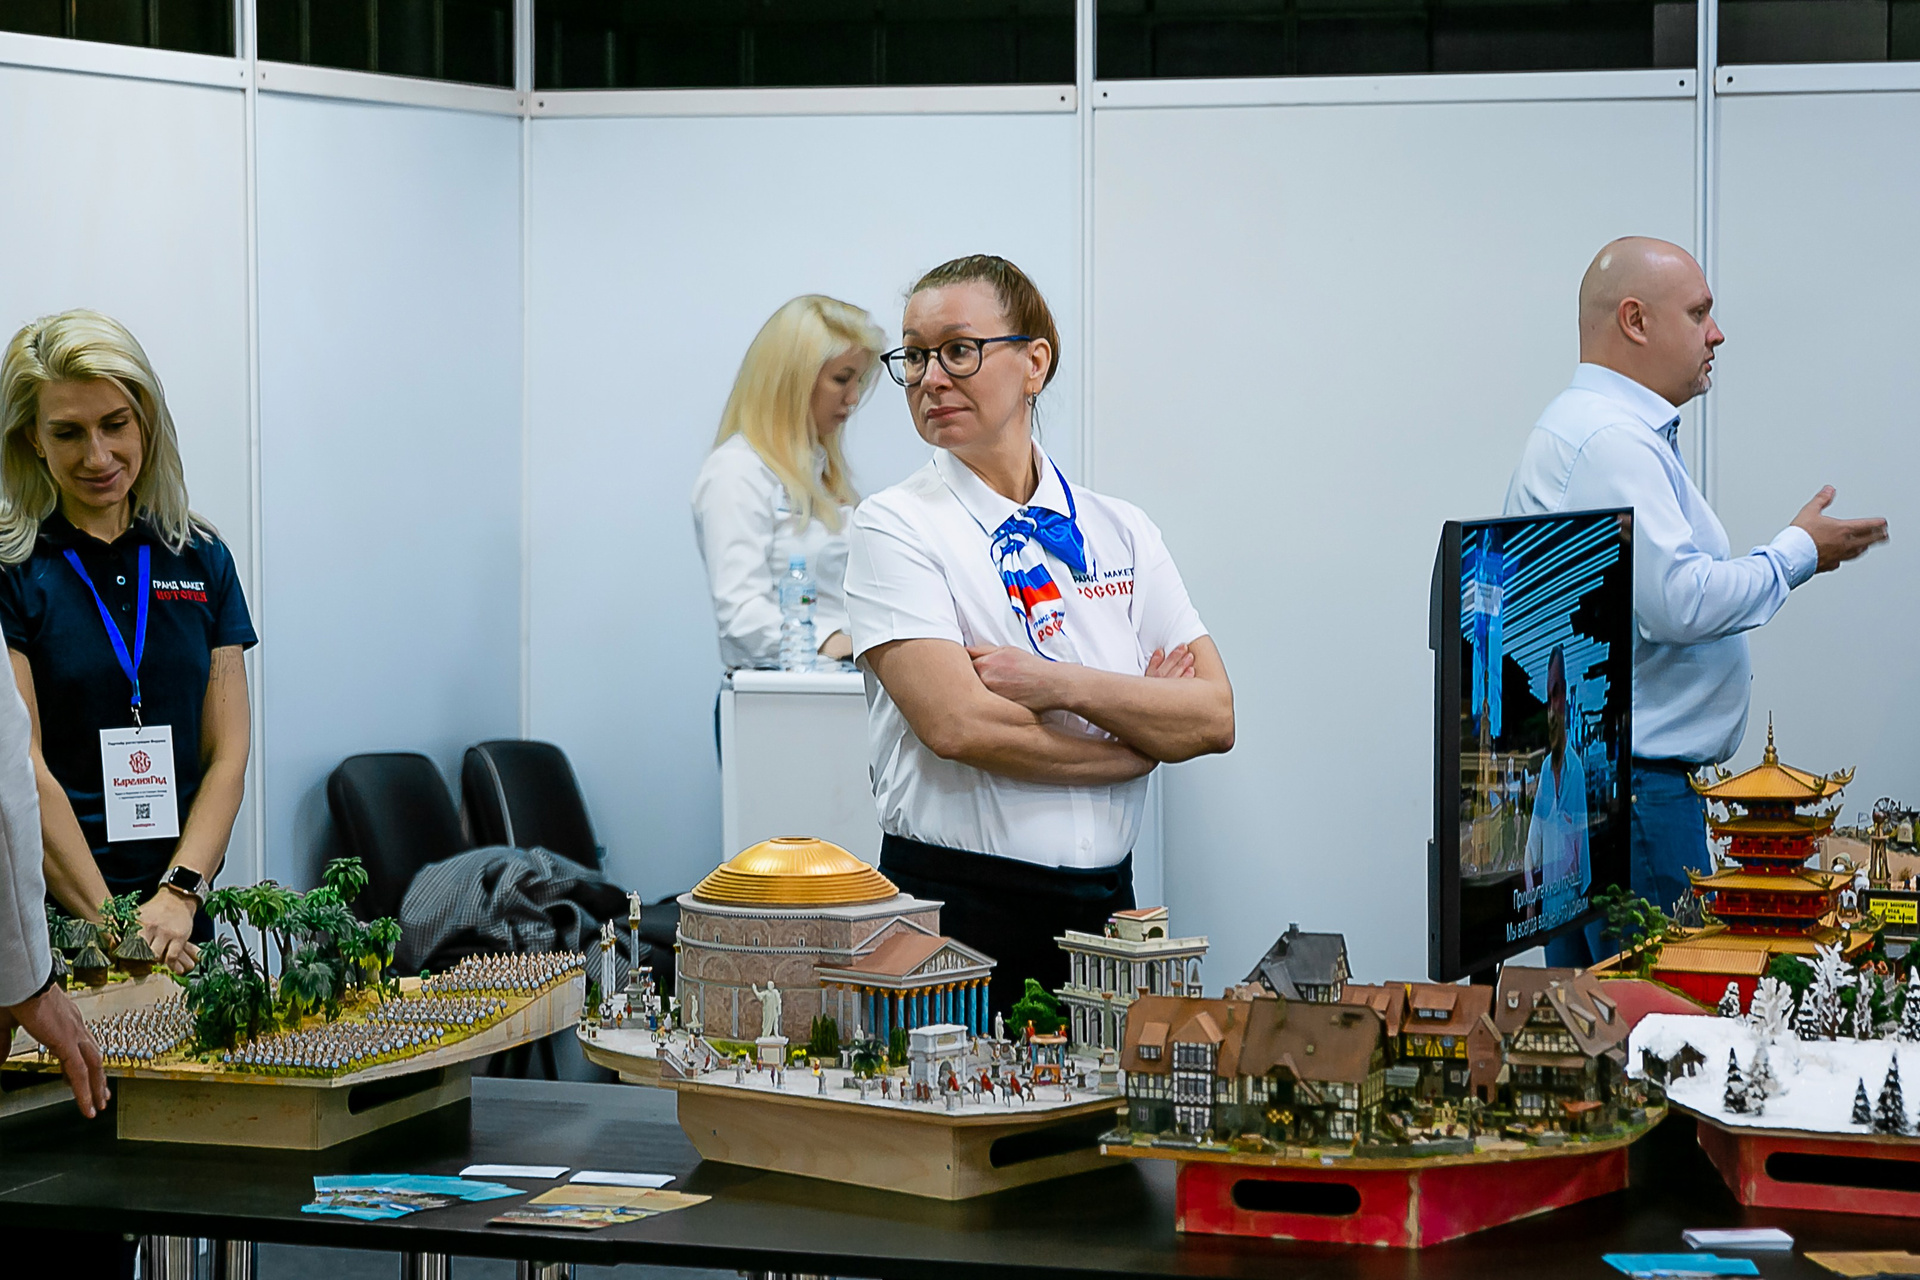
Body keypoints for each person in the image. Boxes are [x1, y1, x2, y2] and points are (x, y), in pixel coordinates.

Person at [844, 255, 1234, 1016]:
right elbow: (960, 726)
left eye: (959, 350)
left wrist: (1058, 685)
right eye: (915, 357)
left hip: (1109, 910)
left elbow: (1213, 717)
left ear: (1035, 363)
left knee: (1104, 1095)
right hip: (959, 912)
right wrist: (1136, 742)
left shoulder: (1122, 529)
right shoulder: (895, 525)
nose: (931, 378)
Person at [1504, 237, 1886, 957]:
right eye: (1699, 313)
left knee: (1601, 1011)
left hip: (1602, 792)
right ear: (1635, 321)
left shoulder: (1585, 429)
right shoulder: (1611, 442)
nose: (1717, 334)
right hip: (1638, 800)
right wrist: (1797, 553)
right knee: (1667, 1010)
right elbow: (1678, 602)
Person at [0, 310, 257, 974]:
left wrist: (178, 896)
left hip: (184, 919)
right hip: (58, 928)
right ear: (33, 440)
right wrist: (114, 925)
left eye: (115, 424)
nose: (97, 456)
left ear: (146, 421)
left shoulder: (202, 558)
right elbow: (21, 765)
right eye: (68, 432)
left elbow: (227, 753)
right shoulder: (13, 571)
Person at [692, 295, 887, 669]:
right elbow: (741, 614)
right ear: (793, 380)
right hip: (778, 690)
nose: (853, 397)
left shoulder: (823, 473)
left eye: (859, 381)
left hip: (832, 679)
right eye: (841, 379)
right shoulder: (737, 472)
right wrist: (834, 641)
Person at [1523, 646, 1588, 934]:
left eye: (1559, 693)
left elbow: (1585, 861)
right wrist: (1529, 905)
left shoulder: (1578, 772)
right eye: (1550, 697)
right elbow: (1532, 845)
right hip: (1550, 915)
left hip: (1578, 911)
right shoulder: (1546, 775)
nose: (1554, 706)